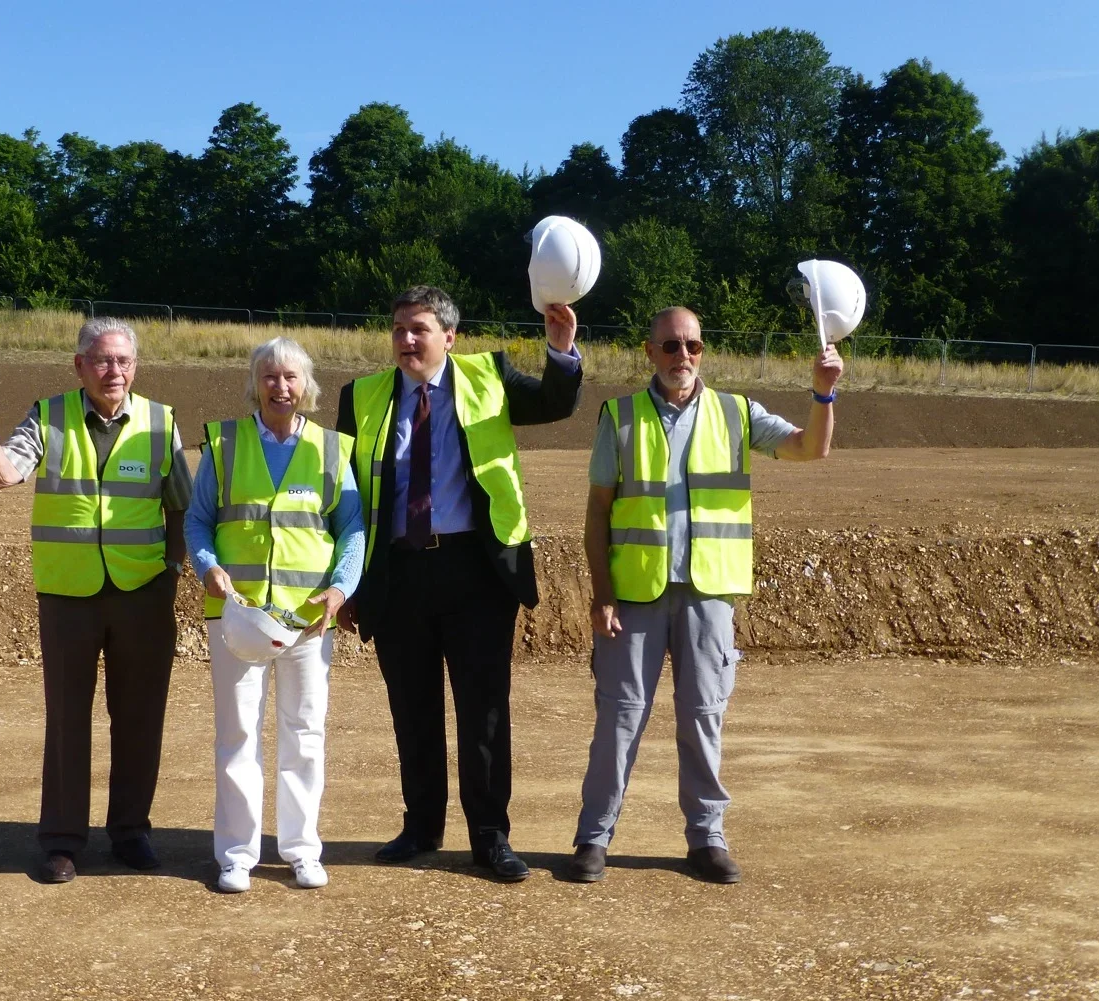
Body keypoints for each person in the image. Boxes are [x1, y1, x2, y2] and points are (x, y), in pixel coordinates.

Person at [569, 305, 844, 885]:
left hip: (708, 593)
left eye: (692, 345)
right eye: (670, 346)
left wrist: (823, 396)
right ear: (649, 353)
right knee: (619, 720)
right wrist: (602, 592)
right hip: (634, 595)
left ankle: (706, 838)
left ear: (703, 350)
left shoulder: (736, 412)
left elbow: (811, 449)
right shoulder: (618, 416)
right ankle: (594, 838)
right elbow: (598, 512)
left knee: (703, 718)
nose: (682, 357)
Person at [335, 285, 583, 883]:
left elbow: (554, 402)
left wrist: (561, 349)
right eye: (398, 329)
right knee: (412, 709)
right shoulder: (362, 397)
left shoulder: (489, 376)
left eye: (418, 328)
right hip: (397, 573)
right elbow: (342, 495)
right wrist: (345, 582)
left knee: (484, 712)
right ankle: (421, 826)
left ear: (449, 336)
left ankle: (490, 837)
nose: (406, 340)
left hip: (476, 572)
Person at [0, 316, 192, 884]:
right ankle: (62, 840)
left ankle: (131, 831)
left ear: (136, 367)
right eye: (103, 360)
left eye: (124, 361)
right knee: (67, 719)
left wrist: (173, 567)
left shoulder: (162, 422)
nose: (115, 371)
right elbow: (0, 474)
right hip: (68, 594)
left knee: (139, 718)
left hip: (143, 593)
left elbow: (181, 501)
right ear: (79, 365)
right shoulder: (48, 416)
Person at [186, 337, 363, 894]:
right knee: (238, 734)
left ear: (306, 386)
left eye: (290, 377)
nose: (280, 387)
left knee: (304, 734)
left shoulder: (332, 450)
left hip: (309, 619)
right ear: (254, 384)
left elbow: (352, 529)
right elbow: (197, 520)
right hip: (237, 619)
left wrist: (340, 590)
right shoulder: (225, 444)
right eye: (269, 377)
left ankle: (301, 850)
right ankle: (236, 855)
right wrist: (208, 567)